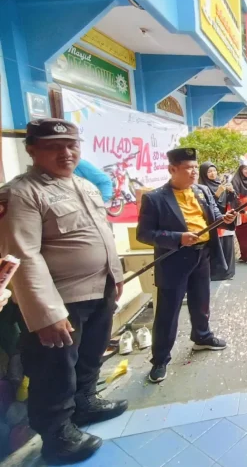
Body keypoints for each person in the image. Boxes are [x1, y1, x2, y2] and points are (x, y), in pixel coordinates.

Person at [0, 119, 127, 463]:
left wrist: (115, 276)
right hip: (61, 300)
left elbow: (101, 235)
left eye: (72, 145)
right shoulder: (22, 193)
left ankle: (84, 403)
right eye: (54, 147)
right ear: (32, 150)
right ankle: (58, 436)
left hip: (98, 291)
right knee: (53, 369)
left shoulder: (83, 186)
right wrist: (46, 314)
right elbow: (23, 255)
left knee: (90, 355)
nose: (66, 153)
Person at [136, 148, 235, 384]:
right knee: (167, 313)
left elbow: (212, 215)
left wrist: (224, 218)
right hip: (174, 260)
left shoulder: (201, 191)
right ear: (172, 170)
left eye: (195, 166)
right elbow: (145, 233)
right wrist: (177, 237)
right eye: (188, 168)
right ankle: (160, 359)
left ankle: (202, 337)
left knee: (201, 301)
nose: (193, 172)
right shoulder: (155, 198)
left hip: (202, 256)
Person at [198, 162, 236, 281]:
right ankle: (215, 273)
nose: (212, 174)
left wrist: (231, 192)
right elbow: (208, 205)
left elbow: (231, 200)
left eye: (214, 171)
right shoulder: (201, 188)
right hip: (212, 220)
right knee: (216, 246)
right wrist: (218, 192)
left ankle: (227, 272)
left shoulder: (220, 183)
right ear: (204, 174)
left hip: (225, 219)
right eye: (209, 172)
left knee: (227, 246)